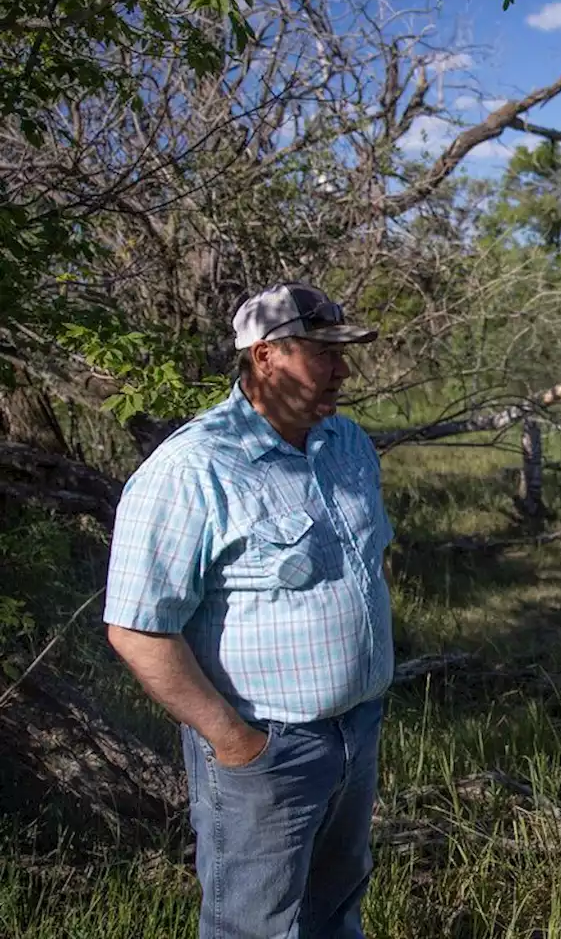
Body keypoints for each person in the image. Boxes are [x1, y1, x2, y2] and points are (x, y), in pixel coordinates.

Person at [102, 282, 395, 939]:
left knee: (335, 909)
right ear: (265, 357)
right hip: (265, 748)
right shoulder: (192, 468)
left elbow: (365, 563)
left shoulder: (345, 444)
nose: (342, 370)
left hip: (355, 731)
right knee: (253, 927)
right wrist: (237, 745)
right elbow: (137, 628)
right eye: (323, 354)